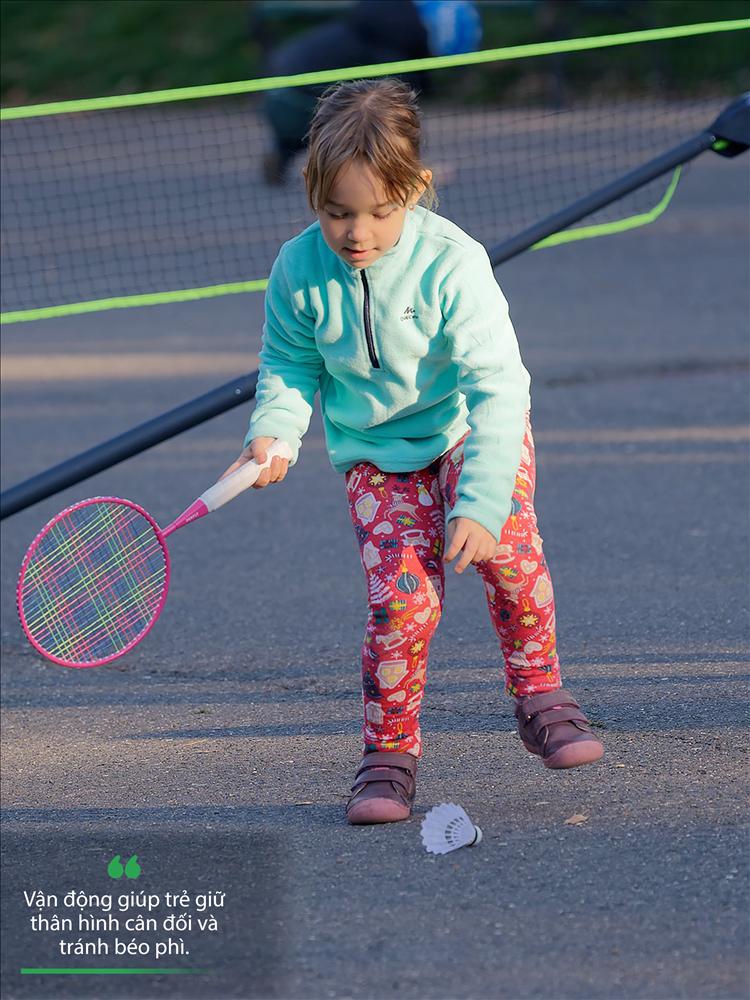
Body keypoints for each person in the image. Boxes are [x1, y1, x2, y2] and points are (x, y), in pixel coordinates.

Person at [222, 78, 603, 825]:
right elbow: (291, 368)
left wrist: (483, 502)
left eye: (378, 212)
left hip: (468, 430)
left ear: (416, 190)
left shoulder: (452, 263)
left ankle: (542, 695)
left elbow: (498, 387)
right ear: (311, 195)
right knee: (401, 604)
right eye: (337, 213)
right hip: (375, 453)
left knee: (511, 556)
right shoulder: (298, 271)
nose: (356, 232)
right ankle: (388, 757)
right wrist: (275, 432)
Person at [259, 0, 481, 185]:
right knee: (365, 119)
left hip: (281, 86)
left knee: (341, 117)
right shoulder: (393, 43)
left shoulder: (385, 27)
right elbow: (396, 115)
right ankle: (398, 169)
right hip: (292, 96)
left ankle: (283, 156)